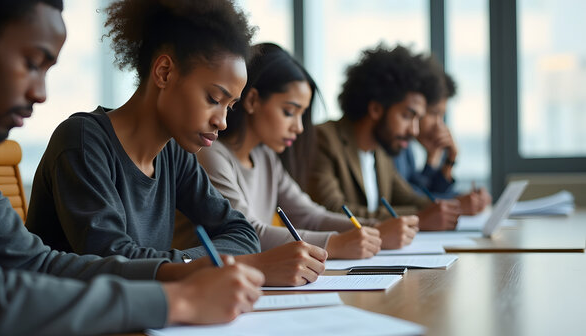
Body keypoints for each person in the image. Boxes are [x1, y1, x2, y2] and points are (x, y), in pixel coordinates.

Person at [0, 1, 264, 336]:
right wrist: (177, 299)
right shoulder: (82, 140)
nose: (41, 94)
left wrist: (174, 274)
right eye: (32, 63)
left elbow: (39, 264)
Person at [26, 2, 324, 286]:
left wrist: (192, 266)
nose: (222, 121)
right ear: (164, 72)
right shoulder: (82, 141)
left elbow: (242, 233)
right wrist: (216, 266)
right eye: (213, 99)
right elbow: (114, 261)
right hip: (77, 331)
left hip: (147, 320)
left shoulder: (173, 153)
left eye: (230, 106)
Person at [174, 43, 418, 262]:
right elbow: (249, 232)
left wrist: (373, 230)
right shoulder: (211, 154)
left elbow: (311, 216)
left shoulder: (264, 156)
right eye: (290, 112)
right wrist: (334, 244)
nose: (299, 128)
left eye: (302, 115)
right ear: (252, 101)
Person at [307, 45, 462, 231]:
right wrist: (419, 219)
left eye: (418, 119)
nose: (414, 130)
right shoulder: (323, 139)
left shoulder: (380, 150)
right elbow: (332, 212)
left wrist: (453, 208)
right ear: (376, 109)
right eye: (407, 116)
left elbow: (411, 199)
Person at [394, 69, 492, 212]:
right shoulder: (396, 146)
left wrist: (449, 160)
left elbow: (425, 193)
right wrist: (457, 203)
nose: (439, 125)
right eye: (434, 113)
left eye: (442, 116)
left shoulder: (406, 148)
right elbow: (410, 199)